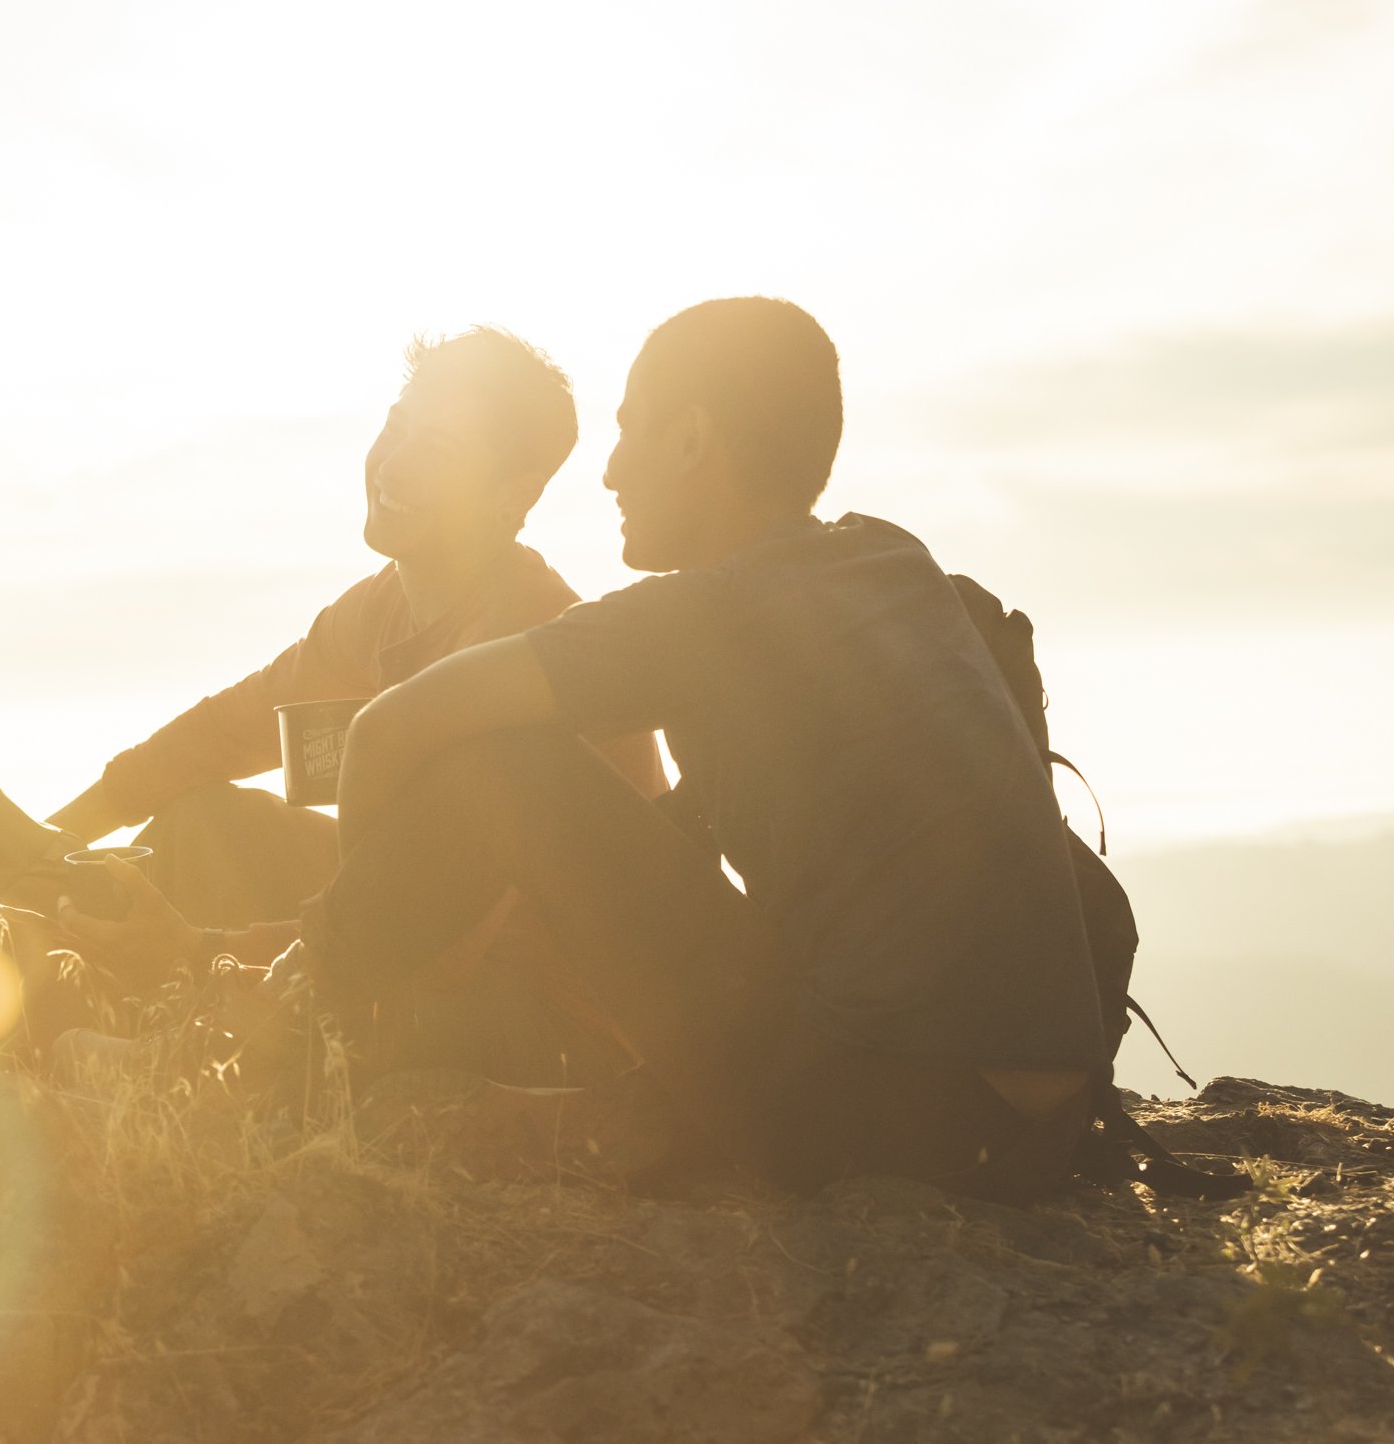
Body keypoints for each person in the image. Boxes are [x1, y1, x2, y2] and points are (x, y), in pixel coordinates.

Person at [290, 296, 1107, 1201]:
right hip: (1043, 1120)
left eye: (629, 431)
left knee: (500, 767)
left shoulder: (709, 615)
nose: (607, 473)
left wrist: (347, 952)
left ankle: (309, 1028)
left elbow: (390, 726)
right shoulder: (891, 561)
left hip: (903, 1121)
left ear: (689, 439)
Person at [0, 329, 661, 932]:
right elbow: (220, 733)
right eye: (397, 427)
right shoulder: (379, 610)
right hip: (411, 928)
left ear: (512, 496)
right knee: (203, 819)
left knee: (200, 878)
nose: (395, 463)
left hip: (547, 997)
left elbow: (442, 926)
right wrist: (50, 844)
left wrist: (201, 953)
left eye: (437, 450)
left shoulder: (522, 642)